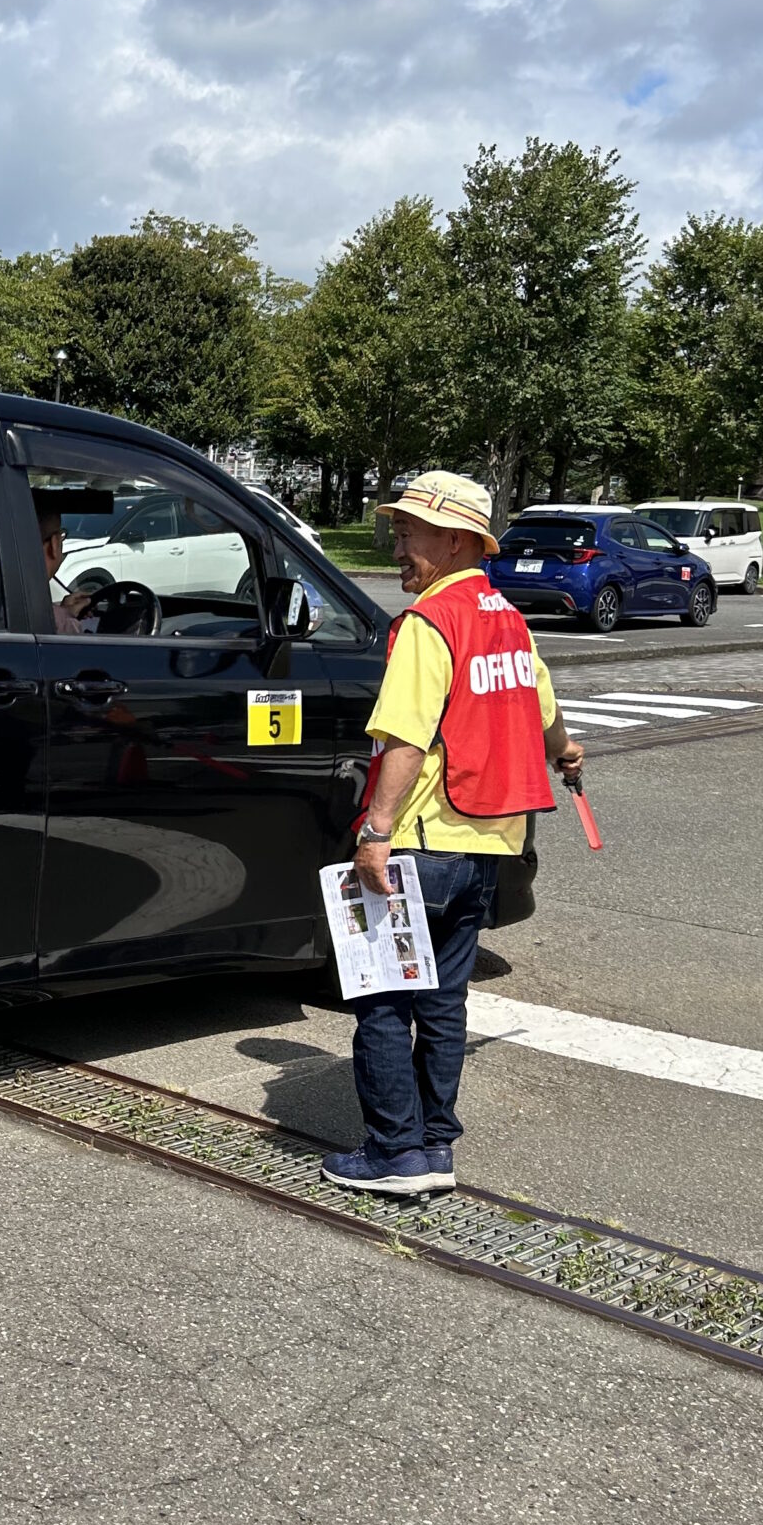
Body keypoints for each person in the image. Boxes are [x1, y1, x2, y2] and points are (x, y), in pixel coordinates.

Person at [322, 471, 583, 1199]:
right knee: (442, 1002)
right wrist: (565, 751)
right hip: (489, 846)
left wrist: (375, 832)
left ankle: (395, 1154)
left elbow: (404, 739)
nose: (398, 543)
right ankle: (436, 1145)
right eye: (398, 530)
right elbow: (541, 708)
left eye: (412, 532)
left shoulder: (430, 623)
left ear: (460, 541)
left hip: (421, 841)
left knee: (382, 999)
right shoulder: (505, 616)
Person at [36, 504, 94, 633]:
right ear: (54, 544)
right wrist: (64, 617)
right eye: (62, 535)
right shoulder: (64, 627)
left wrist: (63, 611)